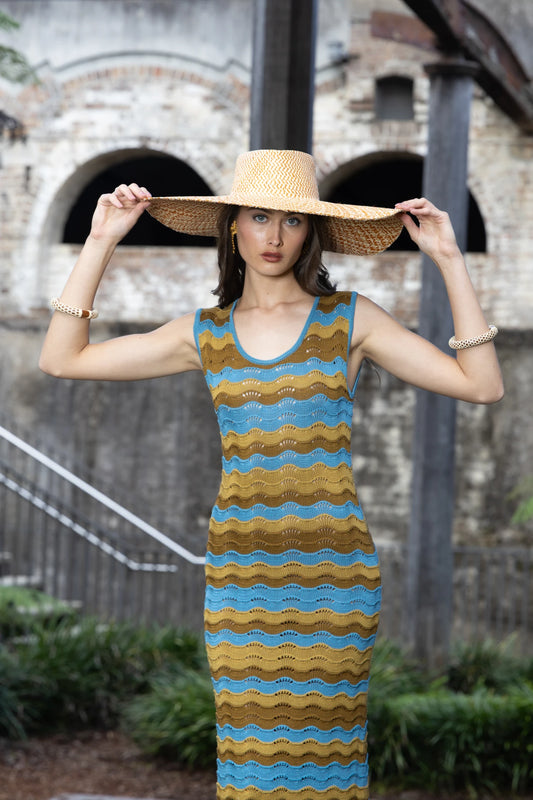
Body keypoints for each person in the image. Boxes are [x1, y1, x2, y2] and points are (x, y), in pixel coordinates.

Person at [40, 149, 503, 800]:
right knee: (250, 764)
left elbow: (481, 385)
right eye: (258, 217)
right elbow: (62, 359)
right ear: (233, 226)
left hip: (334, 582)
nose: (274, 236)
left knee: (328, 763)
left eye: (291, 220)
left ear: (311, 231)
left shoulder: (350, 319)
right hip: (240, 581)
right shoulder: (204, 334)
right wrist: (100, 242)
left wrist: (450, 260)